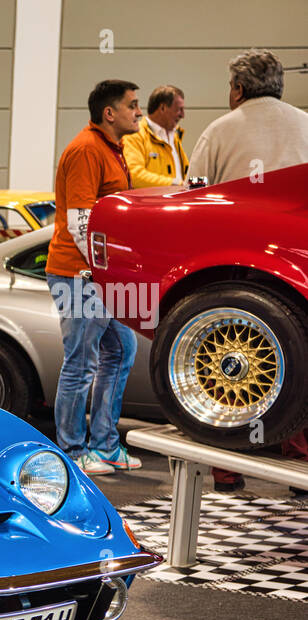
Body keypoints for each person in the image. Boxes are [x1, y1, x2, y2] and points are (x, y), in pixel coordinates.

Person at [184, 50, 308, 494]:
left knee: (228, 368)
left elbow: (192, 199)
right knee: (298, 366)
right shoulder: (305, 125)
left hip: (233, 278)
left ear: (237, 89)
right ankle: (299, 462)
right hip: (297, 273)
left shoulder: (219, 131)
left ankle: (228, 468)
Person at [45, 79, 144, 476]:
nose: (139, 112)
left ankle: (104, 445)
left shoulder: (112, 149)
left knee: (121, 351)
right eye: (133, 105)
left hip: (99, 274)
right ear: (110, 113)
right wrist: (106, 272)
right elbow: (80, 221)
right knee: (80, 363)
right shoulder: (87, 150)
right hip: (80, 274)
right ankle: (70, 451)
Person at [188, 48, 308, 187]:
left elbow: (194, 186)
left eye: (231, 87)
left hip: (236, 209)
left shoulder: (217, 131)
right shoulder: (305, 122)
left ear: (239, 89)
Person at [122, 85, 187, 187]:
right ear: (162, 108)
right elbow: (134, 176)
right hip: (151, 202)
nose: (183, 115)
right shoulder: (134, 135)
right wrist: (176, 184)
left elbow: (184, 174)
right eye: (179, 109)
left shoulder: (175, 136)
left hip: (174, 200)